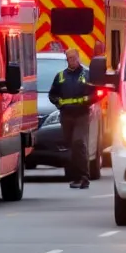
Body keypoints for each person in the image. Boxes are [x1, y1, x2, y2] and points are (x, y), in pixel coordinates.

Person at [48, 47, 94, 189]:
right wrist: (58, 103)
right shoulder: (60, 77)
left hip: (82, 115)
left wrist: (88, 100)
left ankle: (84, 177)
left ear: (78, 57)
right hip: (66, 116)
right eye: (69, 59)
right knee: (71, 146)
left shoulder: (87, 76)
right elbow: (52, 95)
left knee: (78, 142)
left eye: (73, 58)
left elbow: (98, 93)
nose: (72, 61)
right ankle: (75, 178)